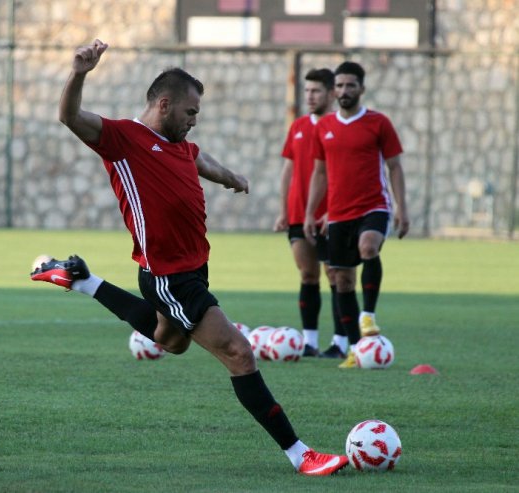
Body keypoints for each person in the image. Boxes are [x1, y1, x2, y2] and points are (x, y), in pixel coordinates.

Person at [32, 39, 348, 476]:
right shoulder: (124, 138)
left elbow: (202, 161)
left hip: (193, 269)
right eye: (191, 113)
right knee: (239, 352)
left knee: (172, 341)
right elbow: (68, 117)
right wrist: (79, 72)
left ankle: (81, 279)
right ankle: (301, 454)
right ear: (164, 104)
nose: (194, 122)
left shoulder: (180, 146)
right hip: (168, 275)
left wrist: (230, 177)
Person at [304, 61, 409, 369]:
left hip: (374, 206)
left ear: (362, 89)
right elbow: (319, 172)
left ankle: (368, 316)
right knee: (342, 280)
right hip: (337, 214)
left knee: (368, 247)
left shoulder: (378, 123)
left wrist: (402, 207)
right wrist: (311, 212)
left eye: (350, 85)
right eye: (339, 85)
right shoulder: (324, 127)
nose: (344, 91)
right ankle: (355, 349)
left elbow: (395, 166)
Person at [274, 68, 348, 359]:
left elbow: (343, 174)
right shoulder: (299, 126)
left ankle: (341, 343)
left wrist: (333, 209)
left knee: (336, 276)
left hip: (331, 215)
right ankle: (309, 341)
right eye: (306, 91)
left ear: (331, 93)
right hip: (297, 214)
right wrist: (283, 211)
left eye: (316, 91)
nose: (309, 96)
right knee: (307, 275)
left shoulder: (338, 127)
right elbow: (287, 171)